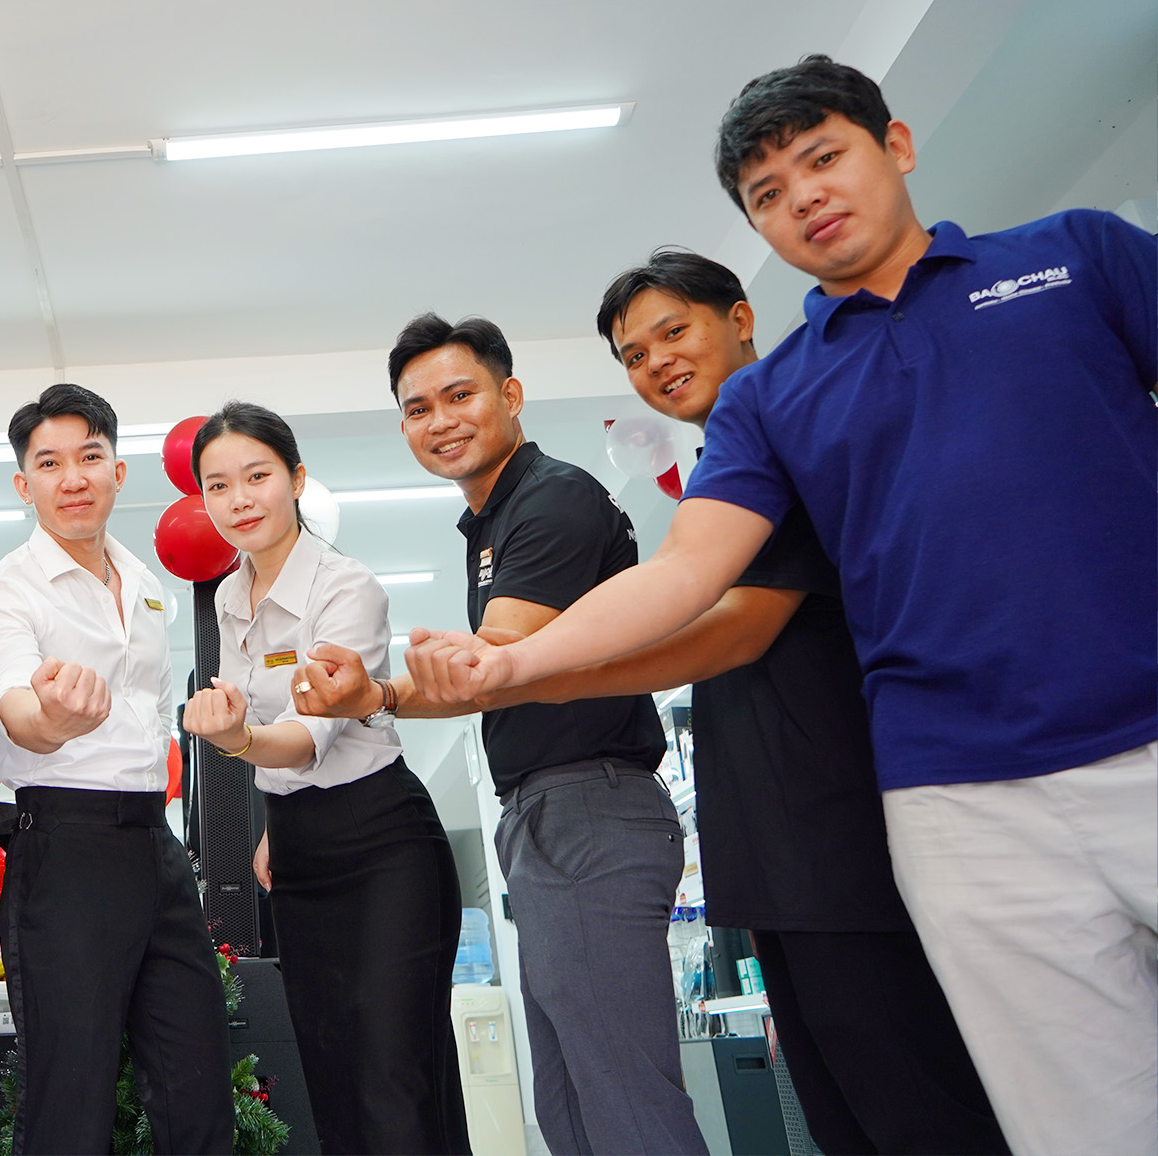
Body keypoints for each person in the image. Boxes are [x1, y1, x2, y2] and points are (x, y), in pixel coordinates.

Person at [403, 56, 1157, 1156]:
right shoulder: (770, 399)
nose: (803, 195)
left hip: (1132, 732)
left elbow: (733, 622)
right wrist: (510, 666)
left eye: (822, 157)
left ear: (895, 145)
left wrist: (521, 663)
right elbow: (684, 573)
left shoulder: (1074, 256)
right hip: (951, 796)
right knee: (1078, 1115)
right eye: (767, 191)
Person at [301, 314, 705, 1155]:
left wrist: (383, 689)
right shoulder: (492, 519)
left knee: (625, 1104)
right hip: (549, 814)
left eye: (460, 395)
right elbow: (490, 674)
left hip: (589, 806)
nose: (440, 420)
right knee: (570, 1105)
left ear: (510, 394)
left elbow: (493, 661)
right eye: (418, 408)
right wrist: (376, 693)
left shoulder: (551, 498)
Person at [179, 401, 470, 1156]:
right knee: (331, 1075)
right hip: (299, 849)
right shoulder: (227, 596)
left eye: (257, 476)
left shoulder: (347, 588)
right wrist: (276, 818)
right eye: (217, 486)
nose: (239, 499)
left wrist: (239, 740)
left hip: (381, 842)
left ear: (297, 478)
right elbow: (263, 724)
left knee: (392, 1077)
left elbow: (309, 734)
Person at [0, 383, 233, 1156]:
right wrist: (53, 716)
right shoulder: (5, 592)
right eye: (49, 463)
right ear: (25, 485)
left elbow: (150, 714)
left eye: (89, 456)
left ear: (118, 471)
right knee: (69, 1103)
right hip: (65, 845)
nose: (72, 477)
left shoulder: (144, 582)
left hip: (156, 846)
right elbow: (16, 705)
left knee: (198, 1084)